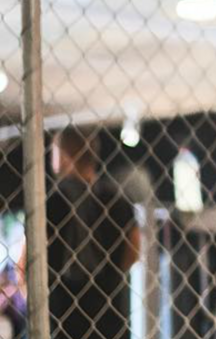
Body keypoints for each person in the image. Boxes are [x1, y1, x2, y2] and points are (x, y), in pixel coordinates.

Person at [42, 127, 139, 339]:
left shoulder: (51, 203)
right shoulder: (118, 200)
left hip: (63, 316)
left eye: (54, 151)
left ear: (65, 155)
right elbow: (133, 251)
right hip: (110, 313)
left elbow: (26, 262)